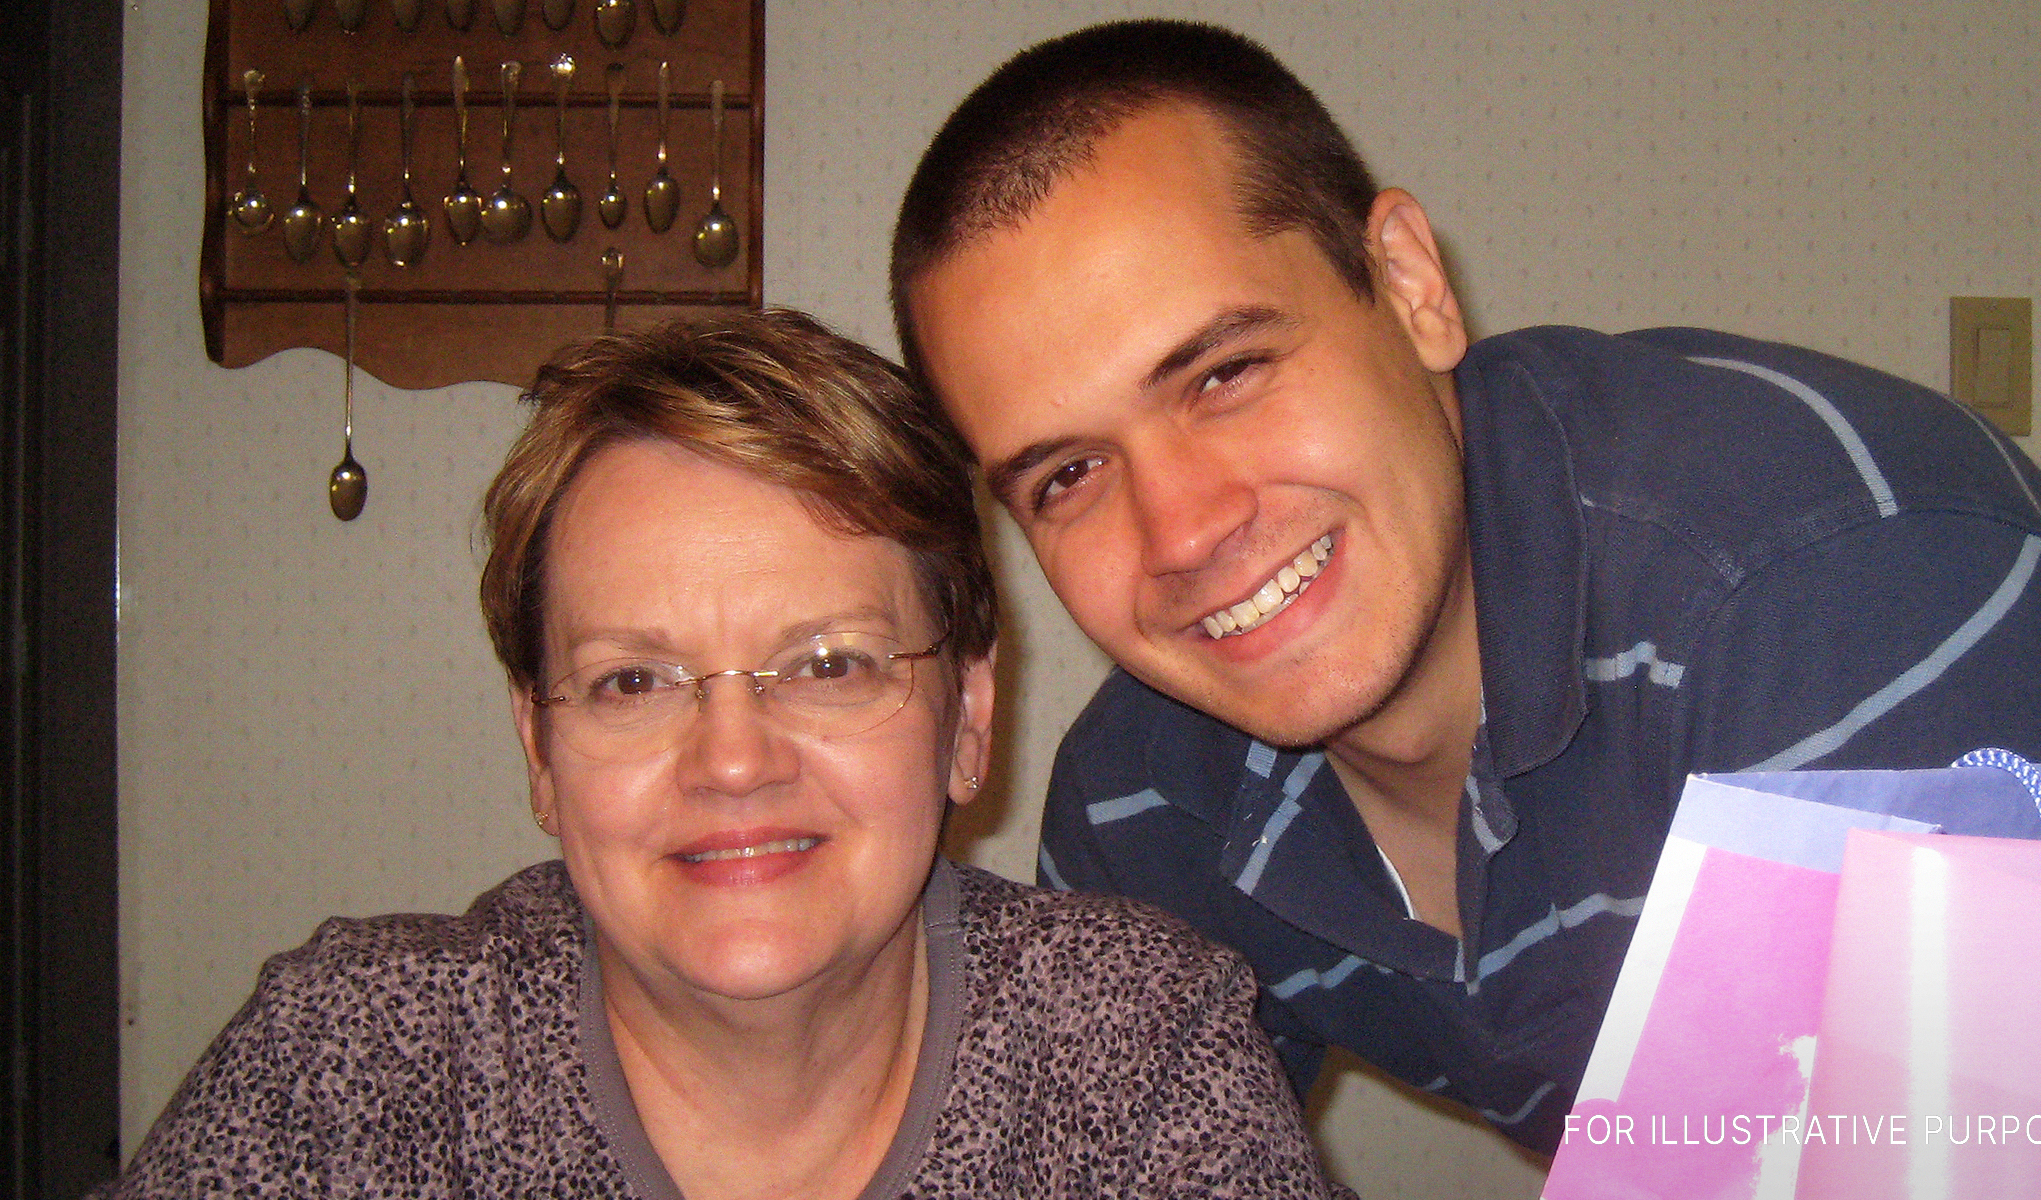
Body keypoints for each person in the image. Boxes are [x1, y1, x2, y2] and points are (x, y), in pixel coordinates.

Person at [887, 20, 2041, 1153]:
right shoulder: (1149, 802)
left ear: (1409, 285)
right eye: (1066, 475)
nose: (1186, 528)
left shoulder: (1807, 575)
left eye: (1226, 371)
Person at [102, 310, 1348, 1199]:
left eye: (828, 663)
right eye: (632, 681)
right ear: (539, 747)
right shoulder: (357, 1067)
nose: (733, 761)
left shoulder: (1137, 1051)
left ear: (969, 718)